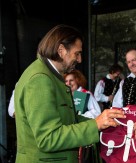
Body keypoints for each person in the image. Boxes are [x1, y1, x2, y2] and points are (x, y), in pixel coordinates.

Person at [14, 24, 125, 163]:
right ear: (61, 50)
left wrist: (103, 122)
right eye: (77, 53)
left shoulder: (49, 75)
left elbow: (68, 120)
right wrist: (94, 125)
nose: (79, 60)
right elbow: (48, 138)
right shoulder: (40, 79)